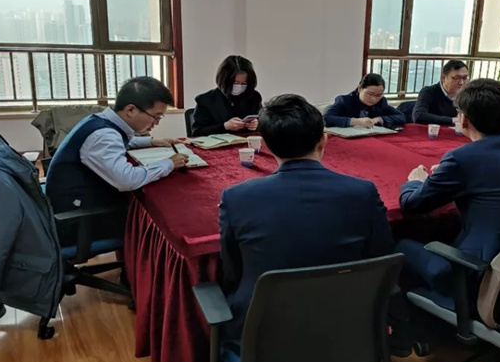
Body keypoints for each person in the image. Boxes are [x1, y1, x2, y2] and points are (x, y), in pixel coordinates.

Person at [218, 94, 393, 340]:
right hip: (347, 321)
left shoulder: (236, 198)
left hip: (262, 329)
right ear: (324, 140)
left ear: (266, 145)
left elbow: (232, 270)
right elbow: (380, 255)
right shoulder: (363, 192)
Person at [396, 78, 500, 309]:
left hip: (481, 274)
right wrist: (449, 174)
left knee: (398, 243)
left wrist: (415, 181)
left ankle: (404, 319)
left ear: (464, 119)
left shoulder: (462, 158)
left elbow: (412, 204)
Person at [45, 77, 187, 244]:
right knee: (163, 216)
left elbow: (118, 141)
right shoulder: (103, 136)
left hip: (72, 201)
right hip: (77, 219)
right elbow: (127, 180)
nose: (156, 124)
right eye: (155, 117)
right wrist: (169, 163)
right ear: (131, 110)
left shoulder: (100, 120)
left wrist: (151, 141)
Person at [192, 55, 263, 136]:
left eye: (244, 83)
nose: (239, 86)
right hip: (219, 143)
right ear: (225, 80)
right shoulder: (205, 100)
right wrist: (224, 126)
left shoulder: (253, 97)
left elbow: (266, 123)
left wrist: (257, 124)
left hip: (247, 142)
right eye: (236, 83)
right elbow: (196, 132)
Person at [323, 73, 406, 128]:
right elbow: (326, 118)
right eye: (370, 94)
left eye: (378, 95)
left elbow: (401, 117)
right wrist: (355, 121)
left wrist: (380, 119)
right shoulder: (345, 100)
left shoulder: (381, 102)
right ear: (360, 88)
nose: (373, 99)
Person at [412, 60, 469, 125]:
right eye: (456, 78)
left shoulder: (467, 95)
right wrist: (452, 120)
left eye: (465, 78)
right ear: (443, 78)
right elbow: (418, 116)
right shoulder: (429, 92)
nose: (461, 83)